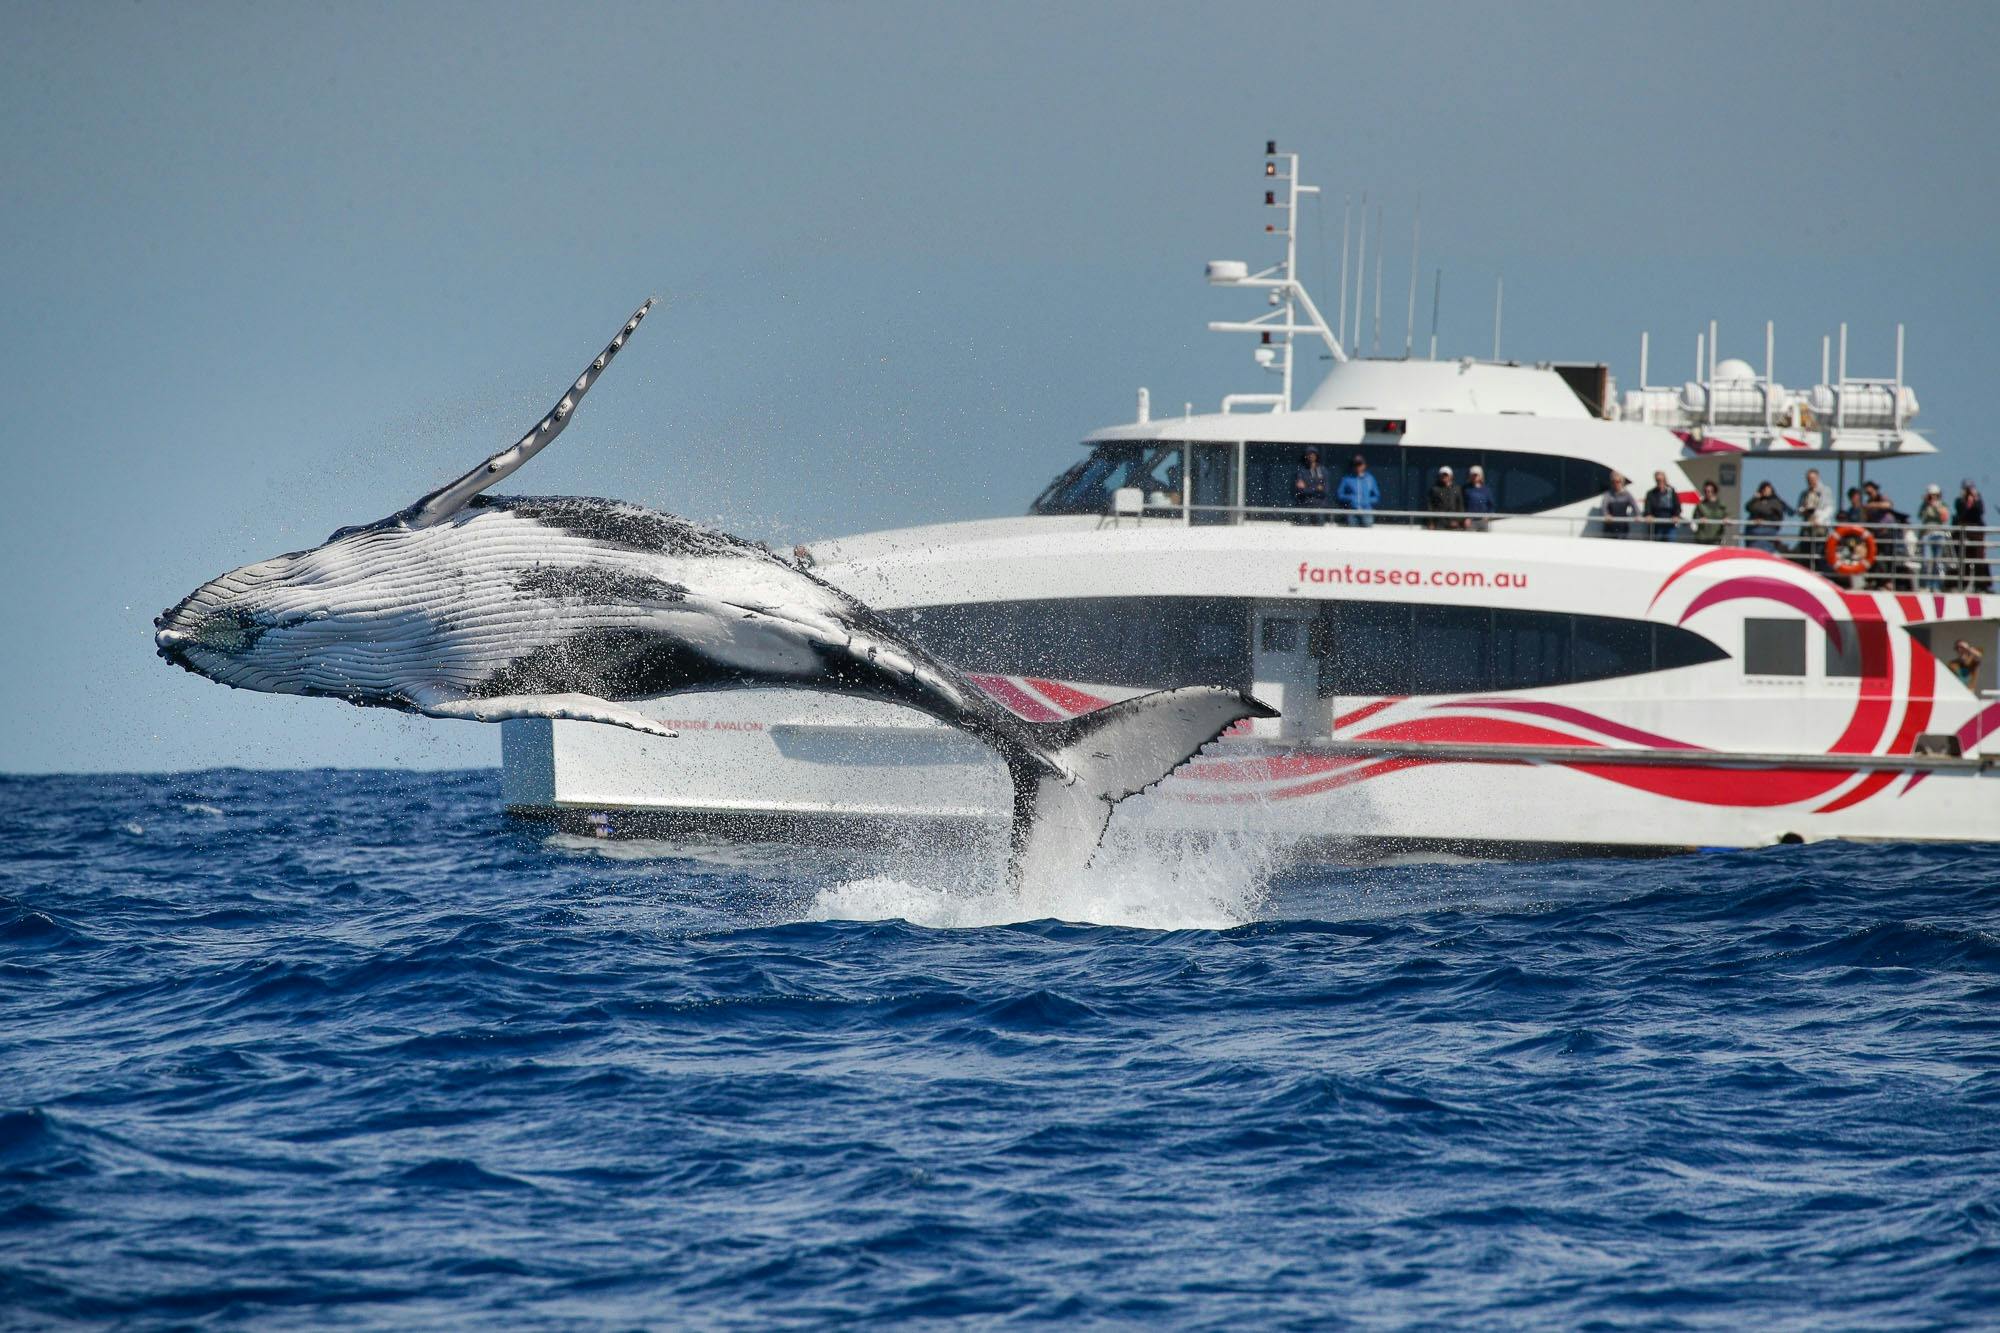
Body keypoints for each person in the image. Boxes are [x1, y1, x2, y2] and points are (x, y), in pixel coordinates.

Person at [1955, 480, 1990, 593]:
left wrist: (1975, 499)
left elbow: (1980, 511)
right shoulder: (1959, 501)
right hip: (1964, 532)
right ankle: (1963, 585)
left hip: (1977, 532)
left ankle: (1982, 585)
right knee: (1964, 558)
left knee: (1979, 558)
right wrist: (1966, 502)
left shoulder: (1978, 500)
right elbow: (1961, 512)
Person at [1917, 484, 1952, 591]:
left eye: (1934, 495)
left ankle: (1935, 586)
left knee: (1938, 562)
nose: (1932, 497)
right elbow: (1920, 516)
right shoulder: (1925, 506)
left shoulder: (1942, 505)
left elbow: (1945, 518)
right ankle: (1925, 585)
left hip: (1939, 535)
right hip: (1927, 535)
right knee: (1926, 560)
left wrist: (1936, 505)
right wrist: (1926, 503)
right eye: (1931, 495)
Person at [1335, 452, 1380, 527]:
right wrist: (1351, 498)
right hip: (1352, 511)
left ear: (1364, 465)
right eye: (1355, 464)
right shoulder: (1347, 479)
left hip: (1366, 511)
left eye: (1360, 464)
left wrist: (1366, 500)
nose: (1358, 467)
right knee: (1352, 532)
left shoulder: (1370, 478)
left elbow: (1377, 497)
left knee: (1368, 532)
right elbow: (1339, 495)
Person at [1743, 481, 1790, 553]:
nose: (1766, 492)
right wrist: (1754, 498)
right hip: (1753, 530)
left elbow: (1777, 517)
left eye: (1768, 490)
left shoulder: (1775, 502)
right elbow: (1748, 507)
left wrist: (1764, 520)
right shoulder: (1757, 501)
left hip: (1768, 529)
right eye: (1764, 490)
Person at [1797, 468, 1831, 551]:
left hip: (1820, 528)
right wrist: (1804, 510)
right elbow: (1799, 509)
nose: (1811, 481)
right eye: (1809, 479)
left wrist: (1819, 519)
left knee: (1819, 551)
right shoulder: (1804, 494)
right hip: (1807, 528)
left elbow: (1829, 508)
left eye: (1813, 479)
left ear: (1817, 478)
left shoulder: (1825, 492)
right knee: (1805, 550)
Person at [1292, 447, 1329, 524]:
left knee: (1319, 529)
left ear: (1317, 456)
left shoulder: (1323, 471)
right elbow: (1300, 491)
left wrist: (1307, 487)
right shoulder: (1301, 471)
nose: (1311, 456)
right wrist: (1316, 488)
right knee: (1303, 528)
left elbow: (1325, 490)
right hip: (1304, 505)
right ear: (1305, 456)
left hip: (1319, 506)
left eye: (1313, 454)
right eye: (1309, 454)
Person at [1642, 471, 1681, 541]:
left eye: (1661, 480)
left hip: (1670, 525)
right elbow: (1647, 507)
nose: (1660, 482)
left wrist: (1676, 515)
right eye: (1658, 480)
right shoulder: (1651, 493)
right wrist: (1648, 515)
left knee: (1671, 545)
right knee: (1657, 545)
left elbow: (1677, 506)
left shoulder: (1671, 491)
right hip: (1656, 525)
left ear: (1665, 480)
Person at [1426, 465, 1466, 530]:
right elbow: (1430, 506)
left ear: (1451, 476)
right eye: (1442, 475)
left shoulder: (1457, 489)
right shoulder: (1434, 489)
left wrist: (1457, 520)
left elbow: (1460, 506)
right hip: (1439, 522)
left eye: (1446, 475)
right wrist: (1430, 522)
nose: (1444, 477)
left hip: (1454, 523)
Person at [1600, 471, 1637, 538]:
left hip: (1623, 527)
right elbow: (1604, 507)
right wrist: (1606, 515)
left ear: (1622, 482)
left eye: (1618, 481)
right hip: (1609, 528)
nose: (1615, 484)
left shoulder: (1627, 495)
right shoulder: (1608, 494)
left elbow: (1635, 507)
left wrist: (1637, 515)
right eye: (1613, 482)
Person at [1462, 464, 1495, 531]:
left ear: (1481, 476)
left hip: (1483, 521)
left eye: (1476, 475)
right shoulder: (1465, 489)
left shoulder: (1486, 490)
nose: (1475, 477)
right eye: (1473, 475)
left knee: (1484, 537)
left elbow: (1491, 505)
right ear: (1470, 476)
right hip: (1470, 521)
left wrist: (1488, 516)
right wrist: (1465, 518)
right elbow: (1462, 504)